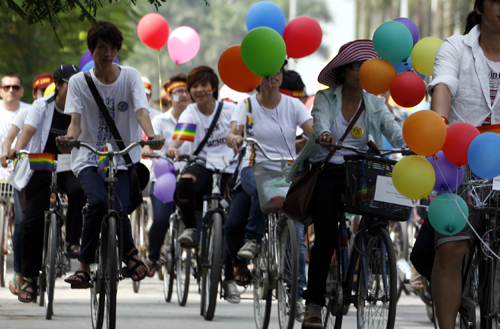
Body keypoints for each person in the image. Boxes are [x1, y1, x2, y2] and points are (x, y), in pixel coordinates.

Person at [285, 40, 404, 329]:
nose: (363, 71)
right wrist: (323, 134)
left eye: (368, 67)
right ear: (343, 71)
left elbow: (393, 129)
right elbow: (320, 120)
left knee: (382, 215)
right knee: (325, 238)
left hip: (361, 171)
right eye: (356, 66)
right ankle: (314, 303)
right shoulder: (327, 98)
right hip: (328, 171)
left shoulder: (376, 103)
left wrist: (410, 144)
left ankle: (371, 248)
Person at [411, 2, 500, 328]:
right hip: (462, 158)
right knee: (451, 248)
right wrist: (439, 125)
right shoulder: (456, 48)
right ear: (479, 7)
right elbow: (443, 86)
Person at [56, 21, 164, 289]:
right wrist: (70, 138)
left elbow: (141, 111)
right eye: (102, 47)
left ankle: (128, 253)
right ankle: (84, 265)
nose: (107, 53)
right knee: (98, 201)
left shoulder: (130, 76)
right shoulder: (80, 82)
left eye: (112, 48)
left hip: (123, 158)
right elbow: (76, 122)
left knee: (120, 207)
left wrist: (150, 135)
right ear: (92, 50)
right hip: (89, 157)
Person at [225, 63, 313, 317]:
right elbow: (234, 131)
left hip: (286, 173)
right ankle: (251, 240)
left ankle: (296, 295)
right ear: (257, 76)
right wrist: (234, 138)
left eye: (278, 72)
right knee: (235, 222)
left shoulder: (293, 105)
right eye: (267, 71)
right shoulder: (247, 105)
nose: (273, 76)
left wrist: (322, 137)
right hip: (253, 167)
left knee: (297, 234)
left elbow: (313, 132)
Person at [5, 64, 87, 303]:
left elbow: (81, 129)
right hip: (42, 162)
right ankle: (29, 279)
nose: (75, 90)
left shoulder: (82, 107)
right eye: (70, 85)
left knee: (78, 190)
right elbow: (27, 132)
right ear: (58, 85)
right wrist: (16, 150)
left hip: (70, 163)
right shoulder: (42, 106)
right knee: (32, 220)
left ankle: (72, 240)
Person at [167, 65, 240, 303]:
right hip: (202, 165)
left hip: (230, 167)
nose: (199, 90)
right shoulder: (190, 112)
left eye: (204, 85)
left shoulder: (230, 109)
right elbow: (182, 136)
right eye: (194, 86)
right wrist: (173, 148)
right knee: (185, 183)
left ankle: (229, 279)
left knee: (231, 223)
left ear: (213, 88)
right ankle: (191, 228)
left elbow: (238, 131)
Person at [141, 73, 192, 277]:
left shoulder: (195, 118)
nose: (183, 95)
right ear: (169, 97)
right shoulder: (160, 119)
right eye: (177, 91)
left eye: (186, 91)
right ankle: (153, 257)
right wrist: (148, 148)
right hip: (164, 171)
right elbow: (151, 141)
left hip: (190, 172)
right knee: (161, 218)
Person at [0, 73, 30, 295]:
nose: (11, 90)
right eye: (6, 87)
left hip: (22, 175)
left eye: (15, 87)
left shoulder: (30, 111)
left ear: (21, 90)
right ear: (1, 90)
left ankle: (19, 272)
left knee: (22, 221)